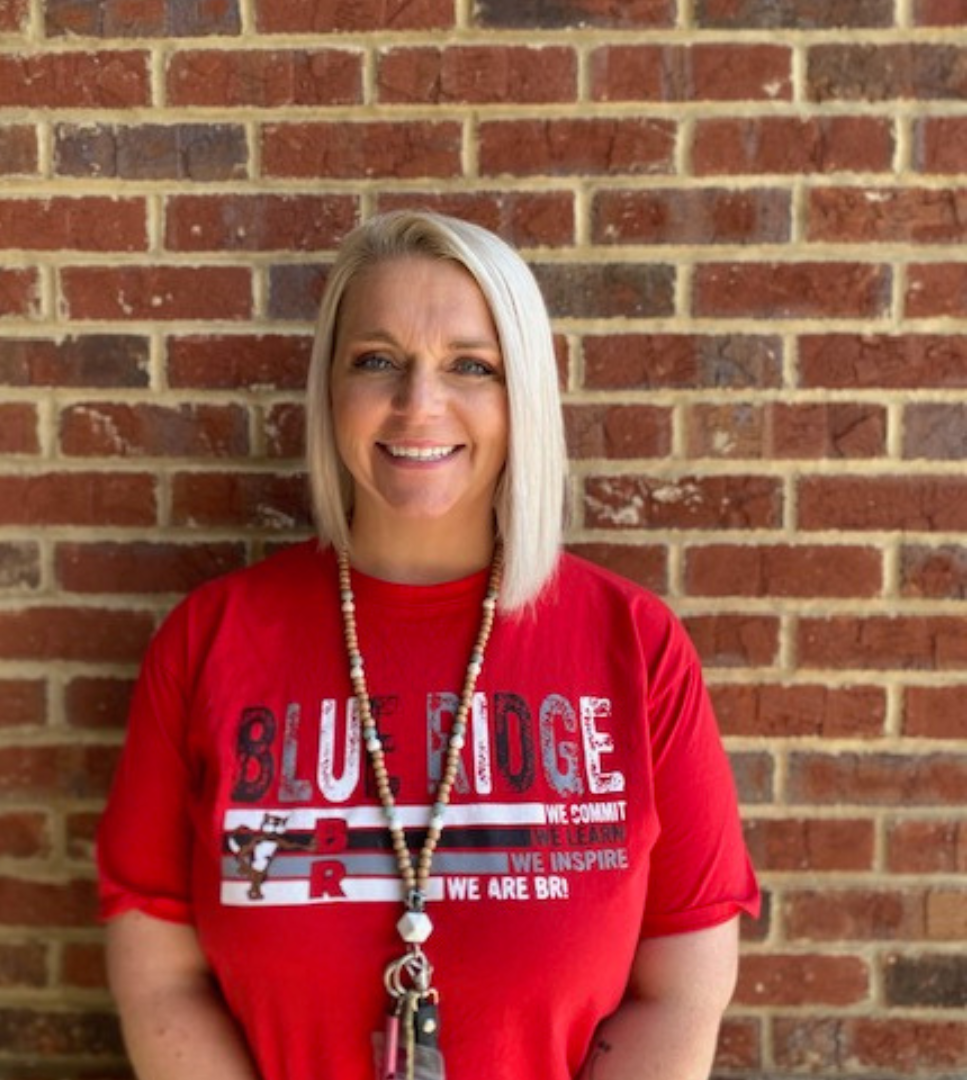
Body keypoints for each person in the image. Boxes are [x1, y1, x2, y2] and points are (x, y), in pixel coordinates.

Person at [97, 209, 760, 1080]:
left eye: (470, 367)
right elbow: (159, 982)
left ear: (521, 394)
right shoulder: (210, 641)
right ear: (330, 388)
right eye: (377, 361)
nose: (419, 404)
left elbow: (681, 989)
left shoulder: (634, 647)